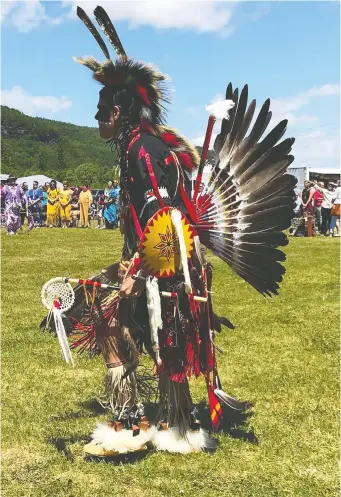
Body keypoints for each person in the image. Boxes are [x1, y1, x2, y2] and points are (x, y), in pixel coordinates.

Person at [45, 6, 296, 457]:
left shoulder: (143, 150)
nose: (96, 115)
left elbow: (168, 217)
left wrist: (133, 272)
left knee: (149, 334)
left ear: (119, 111)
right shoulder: (136, 148)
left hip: (167, 263)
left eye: (103, 108)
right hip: (160, 261)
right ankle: (145, 418)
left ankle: (168, 423)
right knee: (112, 321)